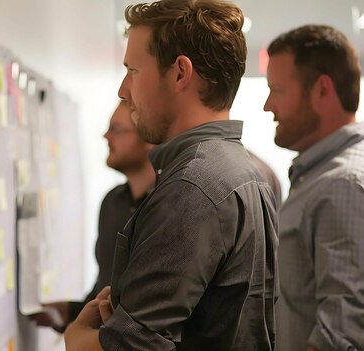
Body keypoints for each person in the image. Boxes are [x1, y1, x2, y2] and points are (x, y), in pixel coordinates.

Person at [65, 1, 278, 350]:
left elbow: (134, 346)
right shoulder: (241, 171)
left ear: (180, 73)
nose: (123, 89)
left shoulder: (193, 187)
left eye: (133, 70)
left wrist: (76, 338)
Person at [264, 25, 364, 351]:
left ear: (322, 90)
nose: (268, 105)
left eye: (276, 90)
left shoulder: (341, 184)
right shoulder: (320, 177)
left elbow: (340, 332)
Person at [32, 100, 155, 331]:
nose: (105, 136)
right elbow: (106, 289)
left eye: (116, 129)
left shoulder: (167, 207)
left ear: (148, 138)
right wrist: (68, 311)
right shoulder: (112, 203)